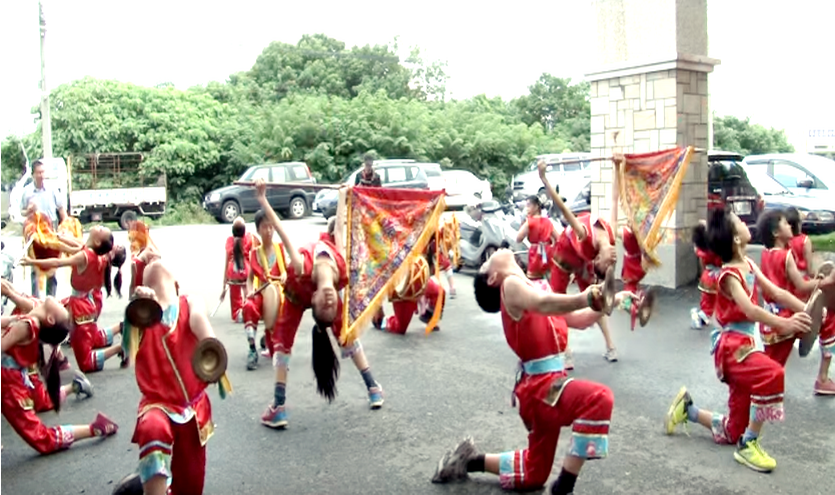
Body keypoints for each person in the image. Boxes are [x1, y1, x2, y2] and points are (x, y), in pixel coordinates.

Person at [432, 247, 629, 494]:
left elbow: (579, 319)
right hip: (543, 390)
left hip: (545, 389)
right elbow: (544, 304)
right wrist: (586, 297)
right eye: (485, 265)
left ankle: (469, 460)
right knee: (598, 399)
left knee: (534, 475)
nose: (490, 256)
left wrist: (617, 299)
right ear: (493, 278)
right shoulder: (510, 286)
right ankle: (563, 488)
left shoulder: (533, 288)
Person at [664, 208, 811, 473]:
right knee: (773, 374)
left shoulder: (750, 265)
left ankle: (690, 410)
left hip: (745, 347)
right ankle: (749, 444)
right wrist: (786, 323)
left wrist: (807, 309)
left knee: (733, 430)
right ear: (735, 238)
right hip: (732, 350)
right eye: (739, 221)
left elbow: (776, 293)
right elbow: (751, 310)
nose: (745, 222)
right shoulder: (729, 275)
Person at [253, 179, 384, 430]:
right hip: (294, 294)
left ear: (314, 298)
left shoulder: (302, 267)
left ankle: (373, 388)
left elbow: (282, 231)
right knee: (283, 343)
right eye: (331, 305)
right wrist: (344, 196)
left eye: (325, 306)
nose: (329, 301)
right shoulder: (341, 269)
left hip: (298, 286)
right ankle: (279, 406)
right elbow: (341, 229)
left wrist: (262, 200)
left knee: (346, 337)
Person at [111, 260, 219, 495]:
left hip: (193, 408)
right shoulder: (141, 314)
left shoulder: (190, 302)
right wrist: (138, 307)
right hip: (157, 405)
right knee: (152, 428)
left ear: (177, 285)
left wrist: (211, 349)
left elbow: (200, 320)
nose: (156, 268)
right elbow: (128, 350)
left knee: (190, 485)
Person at [1, 296, 117, 455]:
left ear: (50, 318)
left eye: (62, 309)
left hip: (10, 387)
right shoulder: (28, 321)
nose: (59, 303)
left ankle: (94, 428)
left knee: (42, 439)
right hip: (10, 382)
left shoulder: (27, 326)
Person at [540, 159, 619, 365]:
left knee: (595, 299)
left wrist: (544, 178)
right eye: (612, 260)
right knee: (559, 302)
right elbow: (614, 200)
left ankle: (611, 346)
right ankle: (567, 353)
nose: (612, 258)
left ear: (597, 261)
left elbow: (562, 206)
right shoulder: (609, 234)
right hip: (564, 258)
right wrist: (618, 167)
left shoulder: (586, 239)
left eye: (608, 264)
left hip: (581, 260)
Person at [21, 226, 127, 373]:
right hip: (84, 303)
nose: (100, 226)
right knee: (88, 337)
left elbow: (59, 261)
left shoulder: (85, 256)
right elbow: (75, 245)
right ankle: (56, 357)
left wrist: (32, 261)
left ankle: (120, 348)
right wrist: (53, 236)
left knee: (86, 362)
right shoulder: (93, 254)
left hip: (80, 308)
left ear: (97, 241)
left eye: (102, 229)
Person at [757, 210, 835, 395]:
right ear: (776, 233)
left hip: (770, 319)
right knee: (829, 321)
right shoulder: (786, 256)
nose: (790, 226)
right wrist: (828, 281)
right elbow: (801, 285)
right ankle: (822, 379)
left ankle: (754, 391)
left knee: (771, 367)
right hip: (788, 317)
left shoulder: (766, 254)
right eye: (785, 223)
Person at [242, 211, 286, 370]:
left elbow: (286, 270)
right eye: (264, 227)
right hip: (261, 292)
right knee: (248, 306)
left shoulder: (279, 249)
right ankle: (252, 349)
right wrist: (249, 291)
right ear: (258, 230)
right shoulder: (254, 253)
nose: (268, 231)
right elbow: (249, 279)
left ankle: (276, 345)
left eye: (271, 227)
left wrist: (285, 276)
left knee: (284, 306)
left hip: (279, 292)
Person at [20, 159, 68, 297]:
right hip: (34, 232)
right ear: (33, 174)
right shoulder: (26, 192)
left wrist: (64, 226)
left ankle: (50, 298)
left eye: (43, 172)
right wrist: (28, 210)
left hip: (50, 230)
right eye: (38, 173)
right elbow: (22, 212)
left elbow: (61, 210)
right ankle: (35, 300)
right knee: (35, 268)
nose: (41, 175)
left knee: (52, 266)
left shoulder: (52, 189)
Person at [224, 217, 260, 323]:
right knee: (247, 291)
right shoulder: (249, 238)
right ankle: (249, 310)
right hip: (246, 269)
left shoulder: (229, 241)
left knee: (235, 296)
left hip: (232, 271)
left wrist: (224, 281)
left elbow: (226, 261)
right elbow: (255, 254)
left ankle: (237, 313)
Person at [516, 195, 558, 280]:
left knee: (533, 281)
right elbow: (558, 238)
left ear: (536, 206)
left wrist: (523, 222)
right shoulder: (547, 221)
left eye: (528, 205)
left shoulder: (529, 222)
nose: (526, 208)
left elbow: (518, 238)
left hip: (536, 254)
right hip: (548, 252)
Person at [691, 221, 722, 330]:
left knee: (708, 301)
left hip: (707, 275)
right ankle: (699, 316)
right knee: (715, 301)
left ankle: (703, 316)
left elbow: (702, 262)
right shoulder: (715, 250)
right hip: (716, 276)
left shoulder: (701, 250)